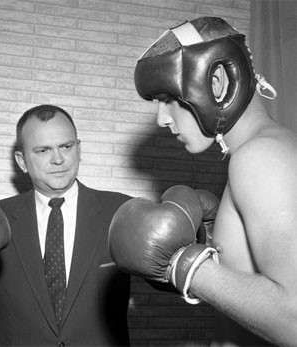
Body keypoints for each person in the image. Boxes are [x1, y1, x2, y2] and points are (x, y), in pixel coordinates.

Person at [108, 16, 297, 347]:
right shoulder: (266, 150)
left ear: (217, 79)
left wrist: (188, 268)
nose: (162, 119)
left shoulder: (259, 157)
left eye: (167, 97)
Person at [0, 104, 133, 346]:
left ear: (79, 149)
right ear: (22, 161)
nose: (58, 159)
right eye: (43, 150)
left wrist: (191, 247)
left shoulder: (122, 211)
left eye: (66, 146)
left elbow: (167, 277)